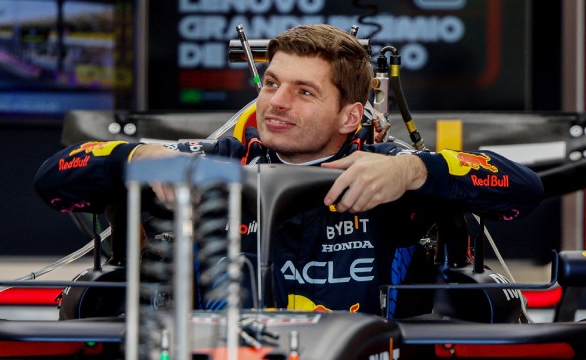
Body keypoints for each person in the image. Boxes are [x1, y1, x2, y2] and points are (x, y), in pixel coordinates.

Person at [35, 24, 544, 316]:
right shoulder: (215, 162)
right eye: (271, 83)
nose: (274, 104)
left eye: (304, 91)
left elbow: (522, 188)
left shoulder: (390, 173)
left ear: (350, 115)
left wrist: (415, 172)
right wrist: (133, 157)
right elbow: (54, 179)